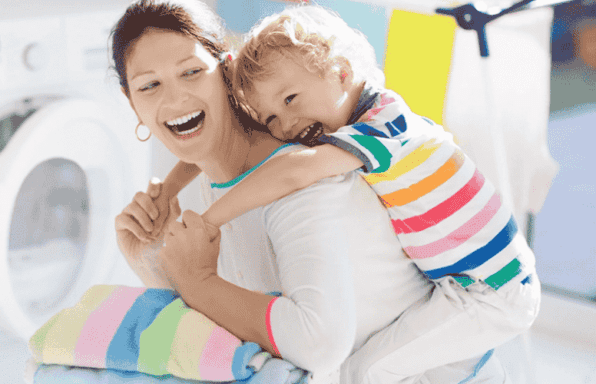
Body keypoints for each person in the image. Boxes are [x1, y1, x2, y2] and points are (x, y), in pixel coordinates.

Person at [111, 1, 517, 383]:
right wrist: (150, 260)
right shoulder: (209, 183)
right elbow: (229, 334)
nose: (176, 97)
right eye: (149, 86)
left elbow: (317, 345)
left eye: (191, 72)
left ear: (228, 75)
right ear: (131, 105)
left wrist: (197, 278)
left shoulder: (302, 179)